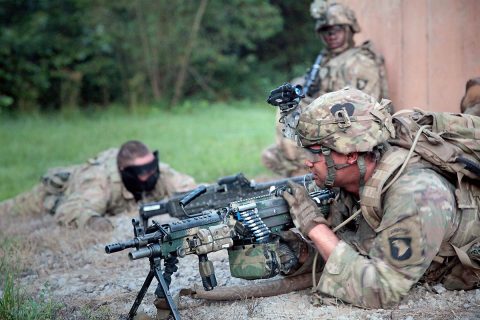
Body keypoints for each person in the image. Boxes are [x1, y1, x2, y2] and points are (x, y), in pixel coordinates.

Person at [281, 87, 479, 308]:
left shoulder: (416, 193)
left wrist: (315, 229)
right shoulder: (360, 177)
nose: (307, 163)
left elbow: (381, 291)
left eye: (314, 153)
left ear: (350, 154)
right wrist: (305, 253)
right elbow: (357, 249)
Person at [262, 0, 389, 178]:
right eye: (324, 31)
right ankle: (312, 179)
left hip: (351, 136)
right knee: (271, 155)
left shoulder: (361, 62)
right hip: (328, 130)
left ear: (349, 28)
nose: (330, 36)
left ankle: (316, 179)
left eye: (335, 30)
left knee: (298, 155)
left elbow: (363, 112)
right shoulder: (326, 60)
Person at [0, 140, 197, 231]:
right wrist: (98, 224)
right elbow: (72, 210)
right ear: (124, 170)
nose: (148, 176)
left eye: (150, 169)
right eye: (140, 172)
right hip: (45, 197)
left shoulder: (156, 171)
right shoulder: (99, 182)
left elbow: (190, 189)